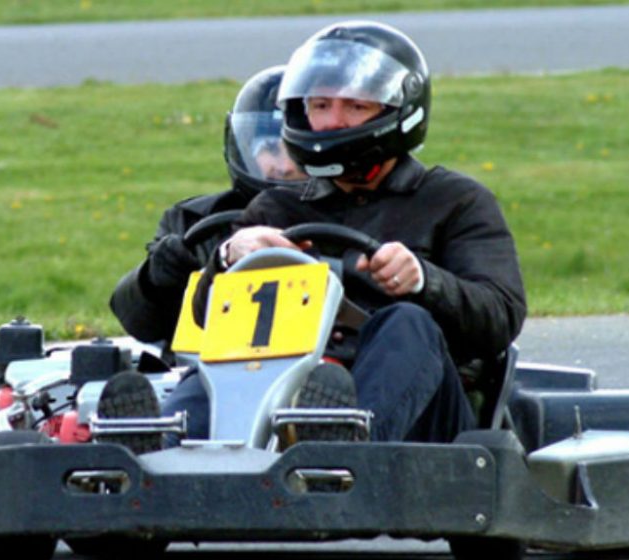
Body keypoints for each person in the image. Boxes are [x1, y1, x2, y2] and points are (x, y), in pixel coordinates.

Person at [191, 20, 527, 444]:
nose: (332, 122)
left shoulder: (454, 201)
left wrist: (425, 281)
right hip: (288, 392)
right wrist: (228, 258)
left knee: (407, 321)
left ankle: (345, 444)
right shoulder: (276, 208)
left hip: (425, 418)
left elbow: (500, 316)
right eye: (320, 105)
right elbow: (209, 322)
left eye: (354, 107)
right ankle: (150, 446)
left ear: (396, 113)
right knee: (205, 369)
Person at [108, 65, 307, 347]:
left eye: (295, 153)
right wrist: (156, 279)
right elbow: (139, 324)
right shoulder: (194, 220)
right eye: (270, 149)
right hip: (205, 370)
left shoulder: (346, 212)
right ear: (243, 148)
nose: (284, 167)